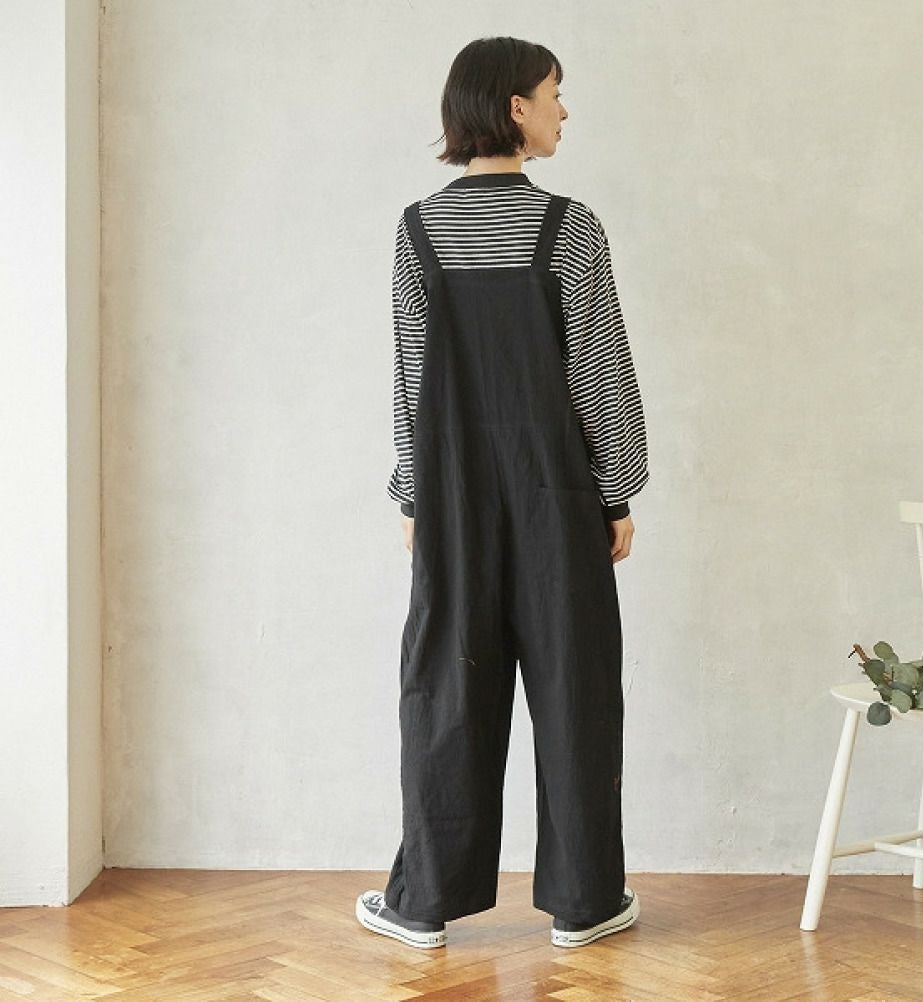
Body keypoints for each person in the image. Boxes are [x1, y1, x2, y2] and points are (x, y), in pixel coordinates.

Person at [356, 35, 650, 951]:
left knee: (447, 690)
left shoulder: (418, 230)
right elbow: (599, 375)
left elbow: (413, 383)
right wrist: (617, 492)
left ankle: (423, 904)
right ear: (516, 108)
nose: (565, 110)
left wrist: (415, 498)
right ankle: (585, 903)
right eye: (555, 93)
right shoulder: (571, 227)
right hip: (556, 500)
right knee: (575, 690)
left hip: (454, 504)